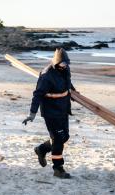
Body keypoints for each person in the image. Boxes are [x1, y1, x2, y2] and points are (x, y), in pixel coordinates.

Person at [23, 48, 76, 179]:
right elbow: (37, 95)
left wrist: (73, 92)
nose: (65, 66)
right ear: (57, 63)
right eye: (63, 64)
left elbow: (67, 80)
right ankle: (58, 169)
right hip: (51, 112)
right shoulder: (46, 76)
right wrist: (32, 113)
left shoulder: (65, 69)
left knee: (64, 137)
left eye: (67, 63)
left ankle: (41, 149)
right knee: (58, 140)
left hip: (63, 109)